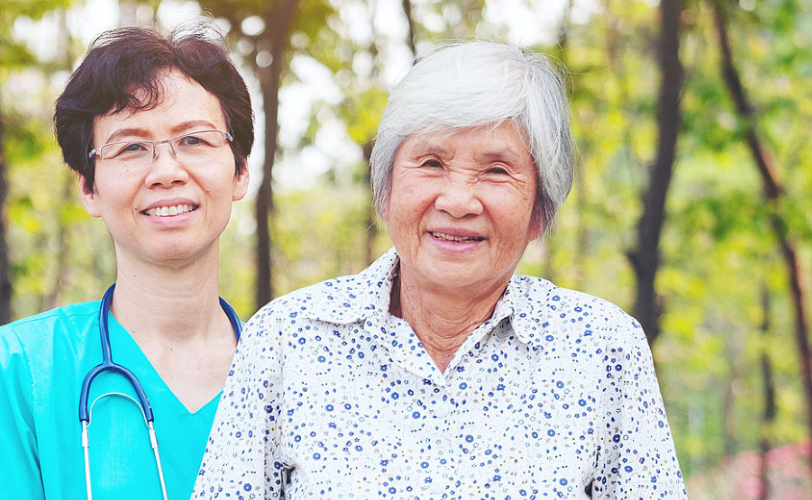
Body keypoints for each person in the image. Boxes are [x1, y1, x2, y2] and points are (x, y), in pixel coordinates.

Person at [191, 42, 686, 498]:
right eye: (431, 163)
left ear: (539, 209)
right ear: (385, 191)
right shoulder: (287, 339)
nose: (457, 201)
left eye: (496, 170)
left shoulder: (601, 348)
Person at [0, 25, 253, 500]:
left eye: (194, 141)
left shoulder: (297, 373)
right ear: (88, 186)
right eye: (131, 147)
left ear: (240, 170)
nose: (166, 172)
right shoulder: (26, 366)